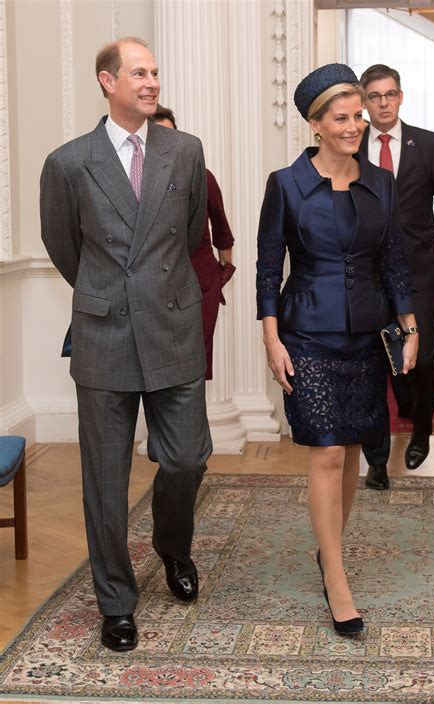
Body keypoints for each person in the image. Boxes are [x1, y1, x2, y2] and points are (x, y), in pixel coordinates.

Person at [40, 37, 212, 652]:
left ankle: (172, 545)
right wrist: (110, 291)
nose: (152, 82)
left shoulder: (184, 151)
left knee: (189, 458)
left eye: (156, 72)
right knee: (105, 481)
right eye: (139, 73)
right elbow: (65, 247)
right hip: (104, 331)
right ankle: (116, 599)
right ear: (107, 82)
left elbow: (190, 232)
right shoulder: (67, 162)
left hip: (172, 324)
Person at [256, 63, 418, 635]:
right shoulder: (286, 185)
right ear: (315, 124)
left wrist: (410, 326)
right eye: (342, 117)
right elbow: (267, 266)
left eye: (359, 116)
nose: (355, 126)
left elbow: (394, 258)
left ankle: (330, 551)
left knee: (351, 450)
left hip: (366, 337)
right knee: (326, 451)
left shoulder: (382, 182)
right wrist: (272, 339)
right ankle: (338, 578)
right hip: (306, 333)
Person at [359, 64, 434, 490]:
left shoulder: (426, 143)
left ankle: (421, 429)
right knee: (377, 363)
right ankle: (378, 461)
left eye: (390, 94)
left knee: (420, 358)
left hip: (420, 268)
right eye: (374, 96)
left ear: (400, 97)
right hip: (369, 273)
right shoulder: (352, 145)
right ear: (365, 102)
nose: (383, 103)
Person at [151, 105, 235, 379]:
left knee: (194, 368)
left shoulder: (202, 175)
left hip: (200, 284)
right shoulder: (138, 184)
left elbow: (222, 229)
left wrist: (221, 275)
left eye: (171, 135)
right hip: (155, 289)